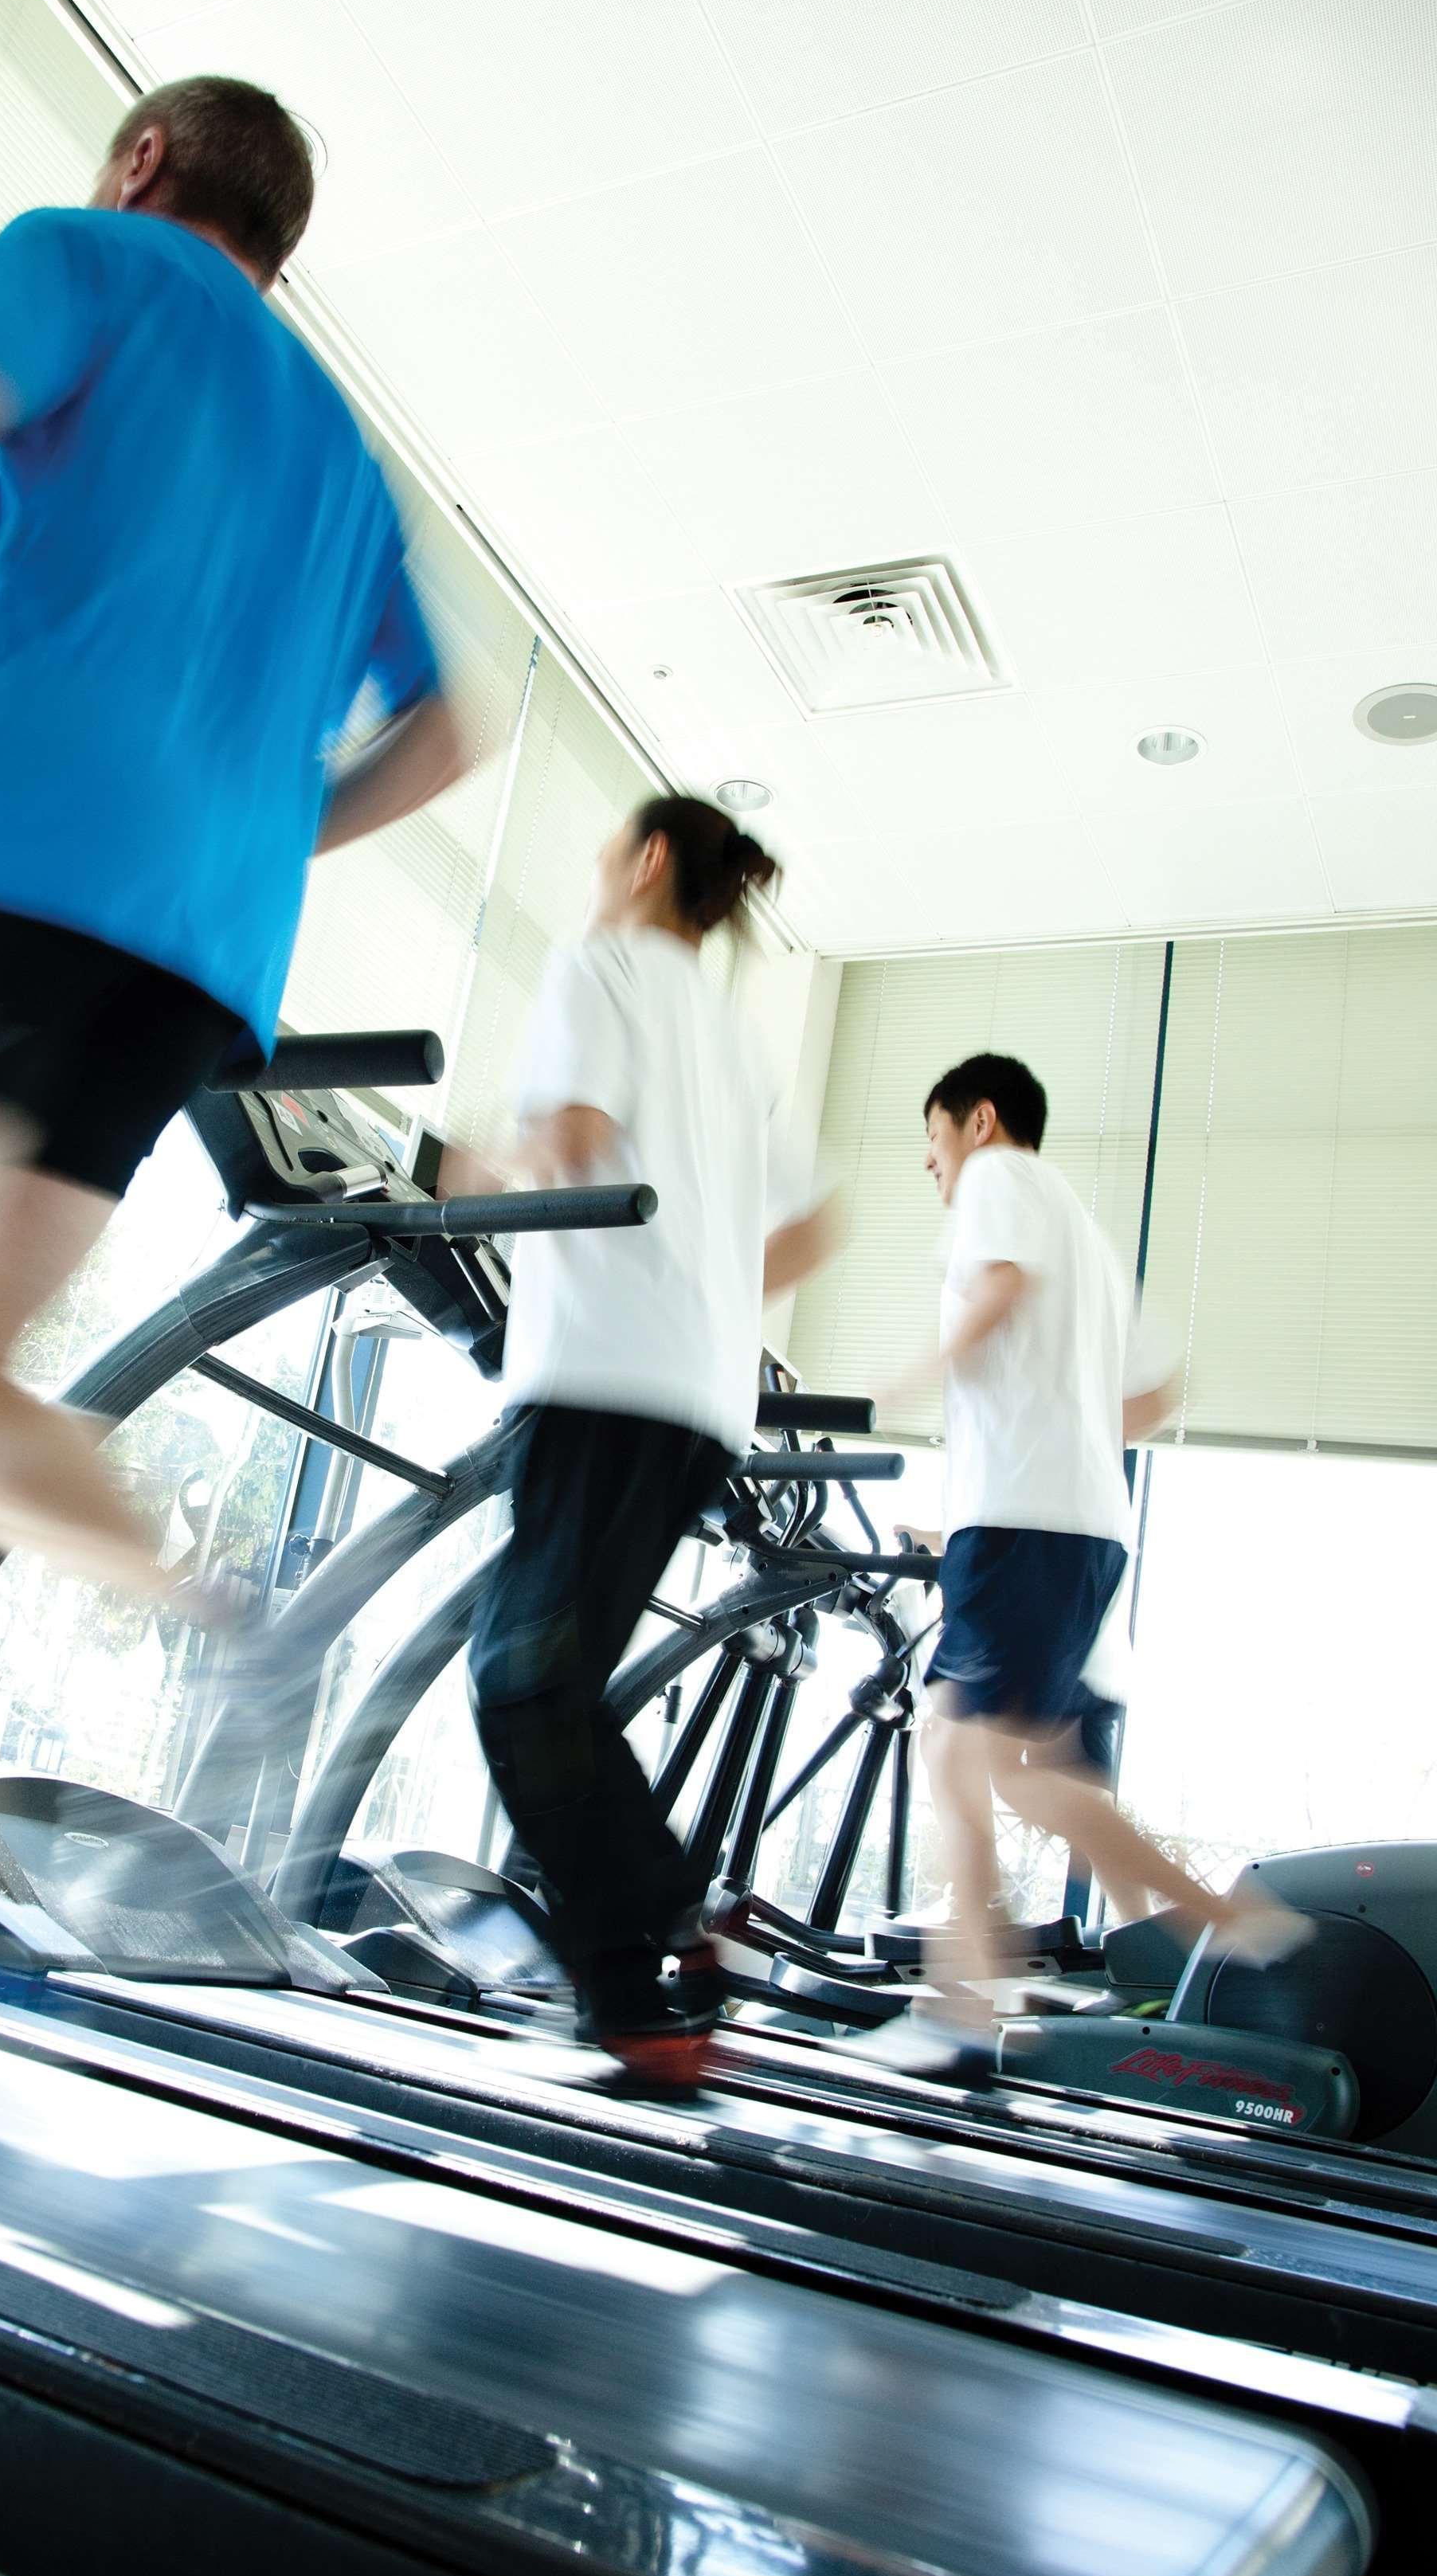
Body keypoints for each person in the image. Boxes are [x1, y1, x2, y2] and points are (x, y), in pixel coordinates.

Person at [0, 76, 464, 1868]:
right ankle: (223, 1613)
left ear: (144, 161)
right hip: (190, 965)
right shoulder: (340, 446)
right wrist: (248, 834)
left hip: (11, 871)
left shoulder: (83, 255)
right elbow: (447, 737)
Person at [462, 796, 840, 2095]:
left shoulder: (599, 966)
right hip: (693, 1401)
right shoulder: (734, 1037)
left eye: (604, 847)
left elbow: (568, 1144)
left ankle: (661, 1939)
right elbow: (814, 1226)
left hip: (605, 1377)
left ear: (651, 859)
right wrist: (713, 1289)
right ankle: (656, 1967)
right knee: (546, 1689)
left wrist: (475, 1176)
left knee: (522, 1687)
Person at [881, 1051, 1306, 2067]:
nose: (932, 1168)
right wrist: (1054, 1434)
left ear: (979, 1122)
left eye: (933, 1143)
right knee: (1019, 1770)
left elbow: (997, 1286)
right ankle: (1230, 1925)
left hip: (1023, 1525)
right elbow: (1157, 1396)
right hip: (1072, 1526)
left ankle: (966, 2001)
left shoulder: (1000, 1182)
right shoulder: (1087, 1232)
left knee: (958, 1752)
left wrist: (902, 1379)